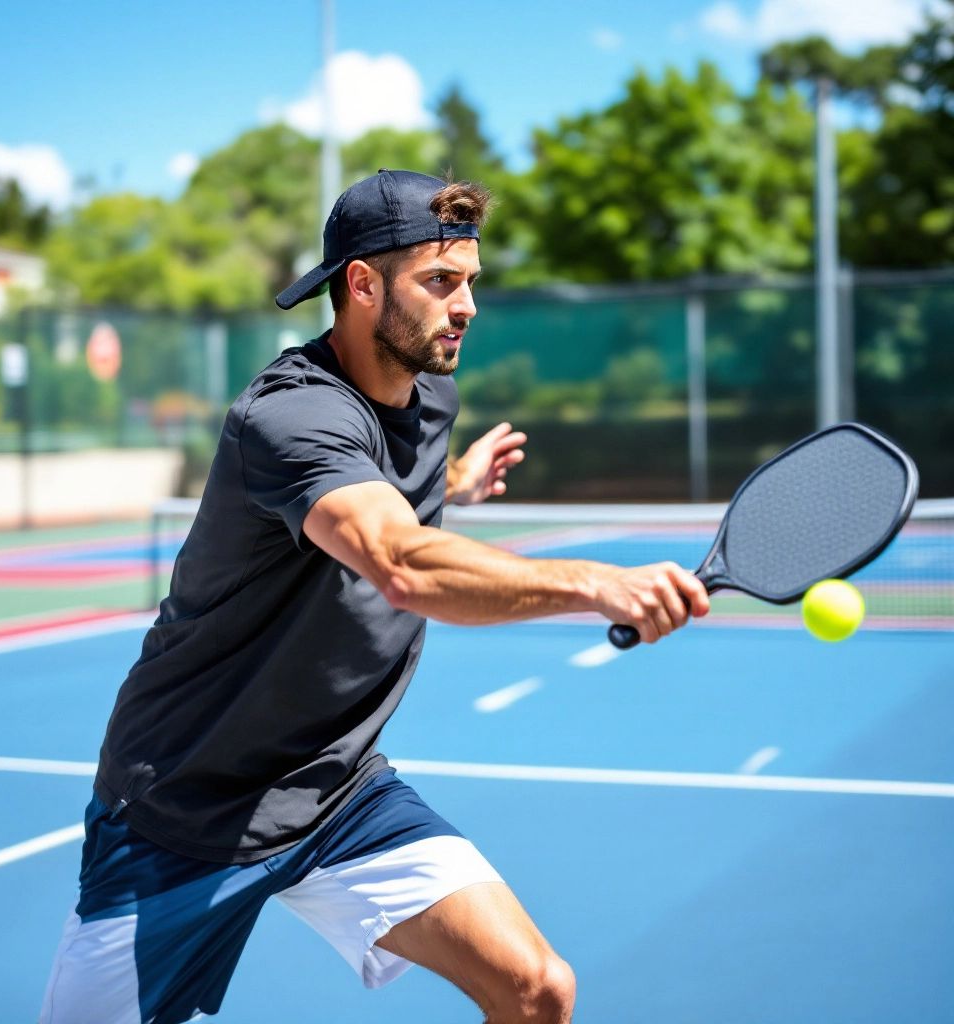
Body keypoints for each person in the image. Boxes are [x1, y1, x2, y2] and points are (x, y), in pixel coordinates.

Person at [39, 169, 709, 1024]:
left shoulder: (432, 395)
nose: (466, 306)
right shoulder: (286, 416)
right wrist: (600, 583)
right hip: (183, 809)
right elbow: (400, 562)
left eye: (470, 283)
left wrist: (453, 485)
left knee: (538, 989)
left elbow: (390, 496)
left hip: (337, 790)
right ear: (361, 285)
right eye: (440, 282)